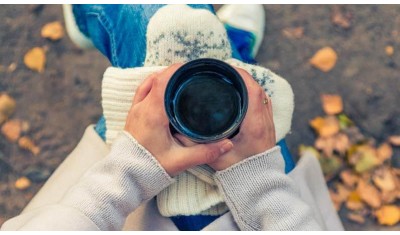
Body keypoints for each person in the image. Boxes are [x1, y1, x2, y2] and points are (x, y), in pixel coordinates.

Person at [1, 4, 343, 231]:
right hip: (273, 210)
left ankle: (84, 17)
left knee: (155, 13)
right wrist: (259, 186)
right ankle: (236, 46)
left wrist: (131, 170)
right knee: (217, 60)